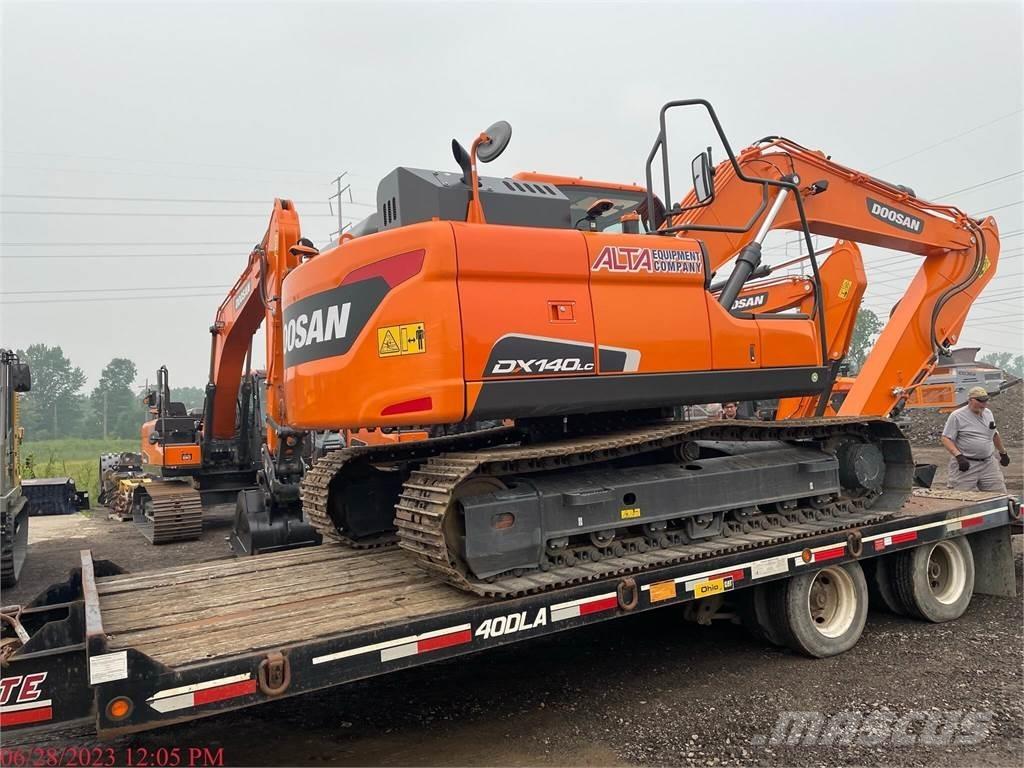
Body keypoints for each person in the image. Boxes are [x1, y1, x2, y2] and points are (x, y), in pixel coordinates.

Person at [940, 386, 1010, 492]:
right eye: (980, 401)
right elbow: (946, 438)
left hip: (988, 463)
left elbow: (994, 434)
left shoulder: (988, 413)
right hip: (966, 464)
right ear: (970, 400)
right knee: (961, 498)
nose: (983, 404)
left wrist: (1003, 453)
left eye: (985, 401)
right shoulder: (957, 416)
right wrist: (959, 456)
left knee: (999, 495)